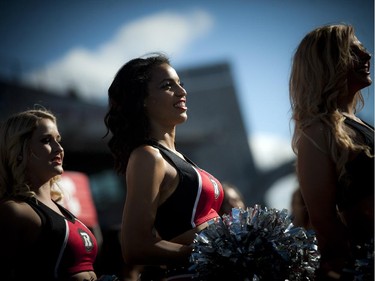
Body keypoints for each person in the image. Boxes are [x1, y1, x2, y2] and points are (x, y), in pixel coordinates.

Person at [104, 53, 224, 280]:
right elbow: (134, 246)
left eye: (181, 84)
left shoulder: (178, 157)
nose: (182, 92)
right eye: (168, 86)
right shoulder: (147, 156)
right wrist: (208, 254)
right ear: (143, 99)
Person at [289, 24, 373, 280]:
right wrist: (359, 268)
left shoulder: (364, 125)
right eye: (354, 51)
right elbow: (324, 222)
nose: (367, 56)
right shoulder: (318, 131)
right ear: (328, 63)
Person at [0, 108, 117, 281]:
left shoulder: (59, 208)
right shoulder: (14, 211)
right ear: (19, 151)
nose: (59, 148)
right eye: (46, 140)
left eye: (58, 140)